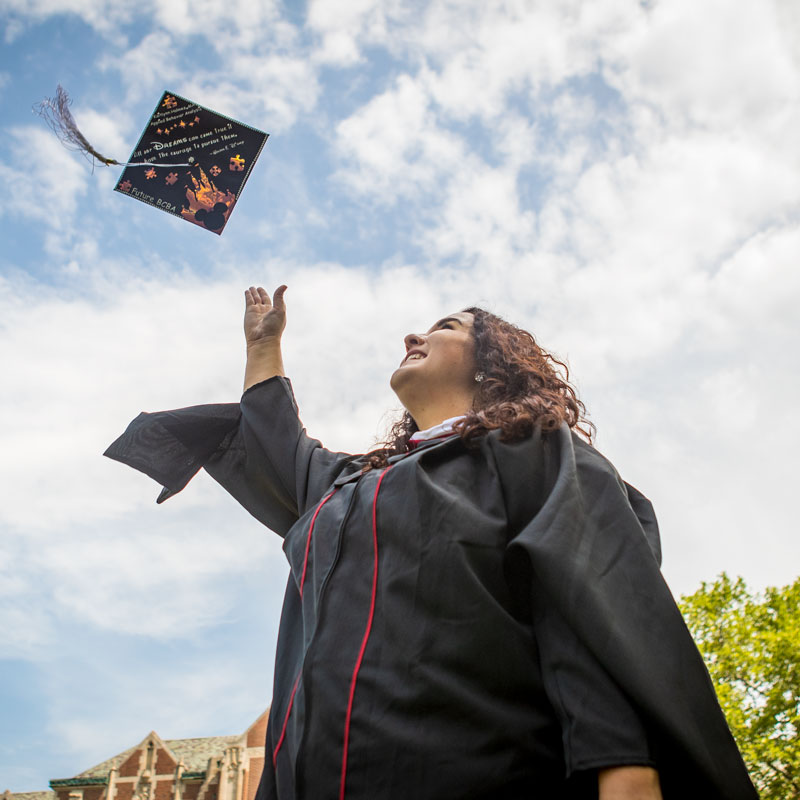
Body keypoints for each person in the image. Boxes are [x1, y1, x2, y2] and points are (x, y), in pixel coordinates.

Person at [106, 286, 758, 800]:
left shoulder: (533, 454)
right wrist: (263, 346)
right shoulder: (350, 486)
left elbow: (588, 613)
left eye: (447, 326)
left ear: (494, 365)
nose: (416, 333)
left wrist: (625, 771)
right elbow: (279, 449)